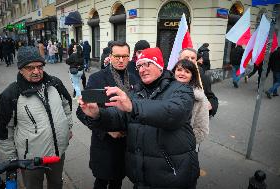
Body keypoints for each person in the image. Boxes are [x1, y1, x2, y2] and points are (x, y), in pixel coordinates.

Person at [78, 47, 199, 189]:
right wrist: (97, 114)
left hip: (172, 176)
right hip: (141, 176)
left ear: (160, 65)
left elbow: (173, 113)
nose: (142, 69)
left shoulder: (180, 89)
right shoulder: (136, 91)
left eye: (147, 64)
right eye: (140, 65)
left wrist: (133, 107)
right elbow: (120, 115)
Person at [0, 46, 73, 189]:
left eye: (39, 66)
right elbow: (4, 131)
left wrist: (68, 127)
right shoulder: (11, 94)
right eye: (30, 68)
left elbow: (67, 106)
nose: (37, 71)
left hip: (58, 152)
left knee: (56, 184)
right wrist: (13, 158)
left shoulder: (55, 83)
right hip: (30, 159)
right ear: (20, 69)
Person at [77, 41, 138, 189]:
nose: (121, 60)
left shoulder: (135, 79)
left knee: (118, 181)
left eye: (125, 56)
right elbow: (81, 112)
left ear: (129, 57)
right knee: (102, 181)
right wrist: (107, 131)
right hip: (105, 145)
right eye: (117, 56)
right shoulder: (98, 79)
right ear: (110, 56)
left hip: (127, 143)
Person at [172, 59, 209, 146]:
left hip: (182, 146)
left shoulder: (199, 98)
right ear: (174, 72)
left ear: (192, 75)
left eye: (187, 71)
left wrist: (182, 141)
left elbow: (202, 130)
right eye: (179, 70)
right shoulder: (164, 90)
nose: (182, 73)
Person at [179, 48, 218, 117]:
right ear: (179, 59)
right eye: (186, 57)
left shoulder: (202, 77)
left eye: (193, 58)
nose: (190, 60)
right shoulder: (171, 75)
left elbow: (211, 96)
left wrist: (211, 105)